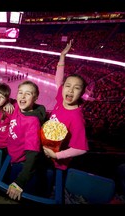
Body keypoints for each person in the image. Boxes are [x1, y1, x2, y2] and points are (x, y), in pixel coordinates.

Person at [43, 40, 89, 171]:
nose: (70, 90)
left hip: (55, 162)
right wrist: (62, 56)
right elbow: (58, 80)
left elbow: (81, 148)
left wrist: (57, 155)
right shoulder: (61, 100)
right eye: (67, 86)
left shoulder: (76, 118)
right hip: (46, 147)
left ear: (82, 93)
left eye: (76, 88)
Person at [5, 80, 47, 201]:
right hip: (13, 156)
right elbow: (16, 102)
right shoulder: (18, 106)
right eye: (20, 92)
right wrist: (8, 102)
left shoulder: (32, 122)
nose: (22, 96)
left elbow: (33, 155)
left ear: (35, 98)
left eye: (28, 94)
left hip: (21, 164)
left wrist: (20, 182)